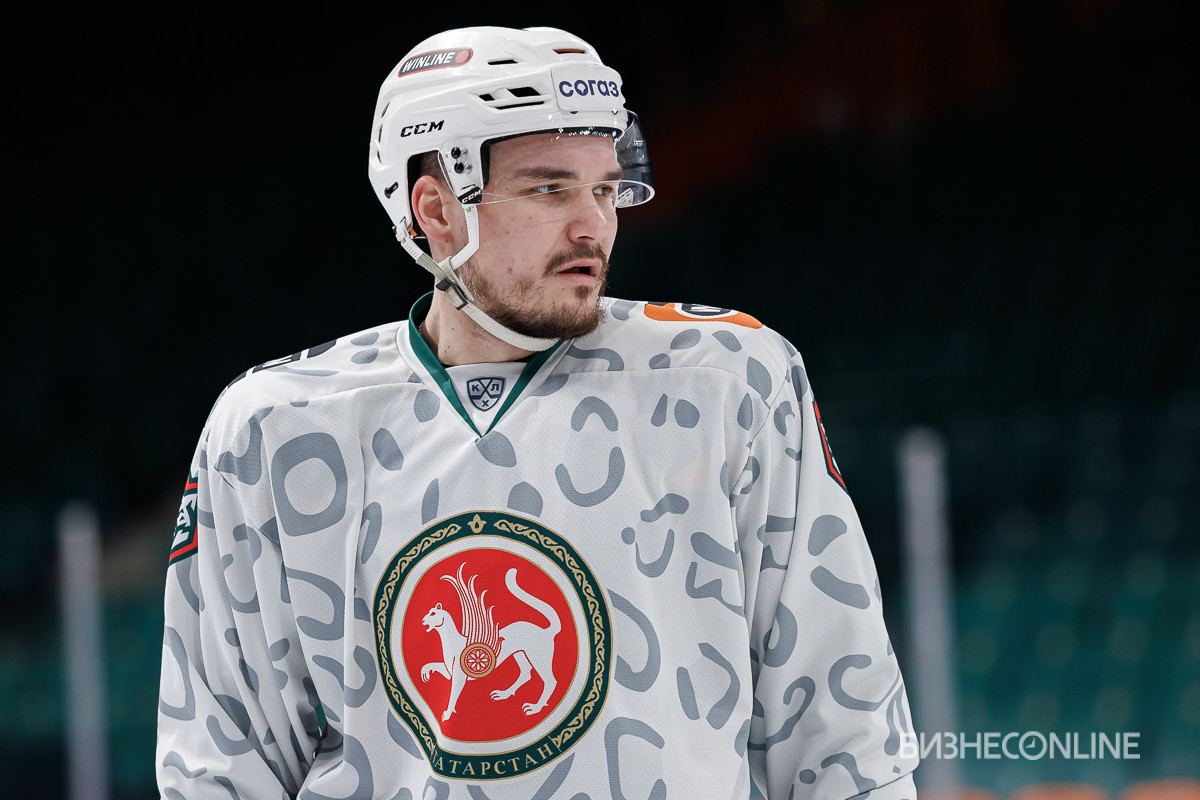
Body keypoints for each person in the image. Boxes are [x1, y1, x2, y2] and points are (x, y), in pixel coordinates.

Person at [157, 25, 918, 799]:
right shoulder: (275, 429)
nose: (594, 225)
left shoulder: (728, 381)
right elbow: (221, 765)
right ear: (437, 211)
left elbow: (845, 735)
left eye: (605, 188)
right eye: (550, 189)